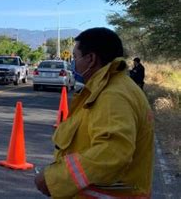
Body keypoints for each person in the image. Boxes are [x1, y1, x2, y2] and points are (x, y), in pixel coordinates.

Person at [35, 28, 154, 198]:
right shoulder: (112, 88)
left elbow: (112, 152)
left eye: (75, 57)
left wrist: (54, 179)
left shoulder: (113, 95)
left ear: (91, 59)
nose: (73, 64)